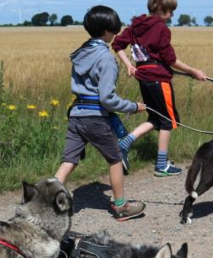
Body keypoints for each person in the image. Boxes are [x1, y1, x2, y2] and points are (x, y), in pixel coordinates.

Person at [53, 5, 148, 222]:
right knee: (115, 158)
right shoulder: (105, 58)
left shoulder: (80, 53)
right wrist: (134, 106)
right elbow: (107, 99)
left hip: (76, 115)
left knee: (70, 161)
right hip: (95, 117)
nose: (115, 35)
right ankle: (121, 207)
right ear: (106, 31)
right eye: (114, 31)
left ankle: (44, 201)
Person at [111, 0, 207, 177]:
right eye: (171, 11)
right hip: (159, 80)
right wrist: (194, 71)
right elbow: (170, 60)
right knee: (167, 121)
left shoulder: (135, 26)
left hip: (144, 79)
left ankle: (124, 143)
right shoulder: (162, 29)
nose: (172, 16)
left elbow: (117, 45)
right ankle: (162, 165)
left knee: (156, 117)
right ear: (161, 9)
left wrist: (129, 65)